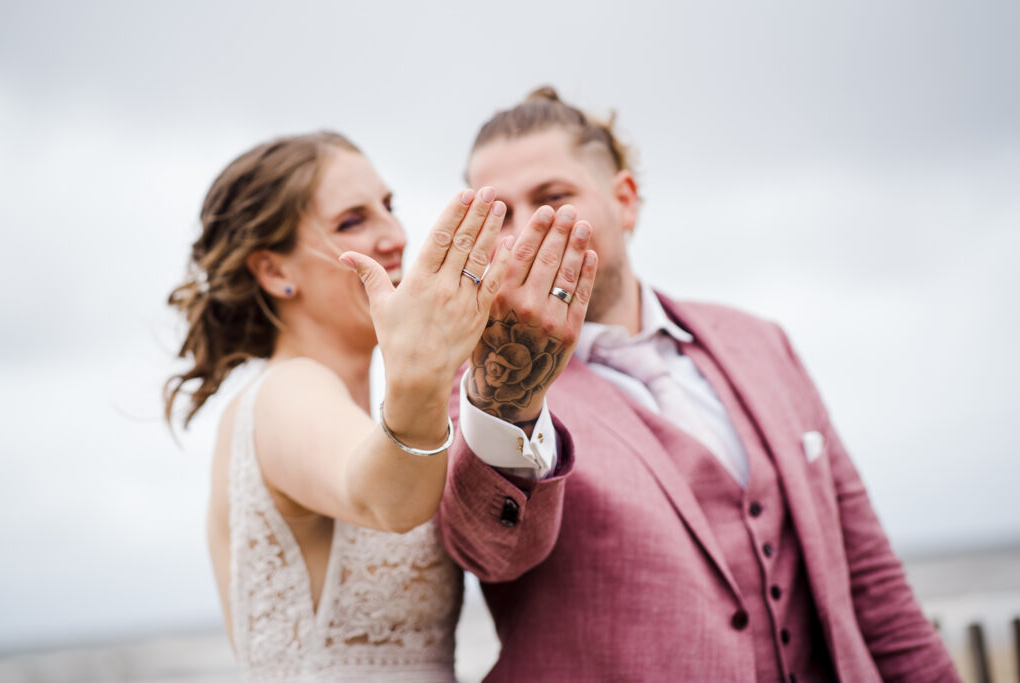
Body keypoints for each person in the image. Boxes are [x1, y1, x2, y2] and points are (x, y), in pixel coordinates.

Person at [436, 89, 961, 682]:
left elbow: (871, 579)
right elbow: (492, 553)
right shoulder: (477, 387)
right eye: (500, 213)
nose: (530, 228)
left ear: (624, 201)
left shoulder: (761, 343)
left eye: (553, 198)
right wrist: (513, 394)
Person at [163, 130, 596, 681]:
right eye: (352, 221)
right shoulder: (283, 393)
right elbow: (385, 503)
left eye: (388, 208)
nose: (393, 236)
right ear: (274, 272)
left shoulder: (353, 416)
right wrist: (424, 377)